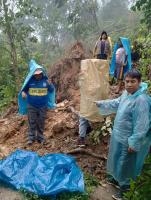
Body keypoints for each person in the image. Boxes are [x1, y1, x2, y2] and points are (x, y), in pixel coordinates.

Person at [95, 69, 151, 200]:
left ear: (139, 82)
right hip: (119, 135)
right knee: (116, 157)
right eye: (127, 81)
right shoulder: (126, 93)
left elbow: (142, 124)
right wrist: (101, 103)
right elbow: (117, 103)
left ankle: (125, 190)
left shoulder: (141, 100)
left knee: (126, 164)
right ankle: (116, 179)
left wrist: (134, 142)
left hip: (129, 139)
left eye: (133, 81)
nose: (129, 84)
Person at [18, 60, 56, 145]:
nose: (38, 75)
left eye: (39, 74)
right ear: (33, 74)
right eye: (36, 74)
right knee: (32, 121)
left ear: (42, 73)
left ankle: (40, 138)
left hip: (43, 105)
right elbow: (24, 89)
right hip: (31, 105)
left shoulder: (46, 81)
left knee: (41, 121)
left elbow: (52, 90)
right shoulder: (30, 81)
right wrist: (23, 93)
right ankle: (31, 138)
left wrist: (50, 84)